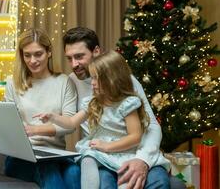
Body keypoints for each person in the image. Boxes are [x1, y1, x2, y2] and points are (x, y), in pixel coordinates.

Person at [63, 27, 171, 189]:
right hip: (103, 155)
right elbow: (69, 122)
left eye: (79, 57)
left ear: (96, 51)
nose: (74, 64)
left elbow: (152, 126)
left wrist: (142, 160)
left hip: (135, 149)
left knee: (159, 180)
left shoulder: (124, 81)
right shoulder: (70, 82)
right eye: (69, 58)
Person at [35, 50, 151, 189]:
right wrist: (53, 117)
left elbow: (135, 137)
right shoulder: (93, 102)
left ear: (113, 78)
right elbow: (71, 122)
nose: (93, 83)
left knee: (126, 181)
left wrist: (108, 146)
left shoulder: (127, 104)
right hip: (99, 151)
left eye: (97, 78)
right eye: (92, 77)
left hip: (123, 152)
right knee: (88, 158)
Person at [0, 28, 80, 189]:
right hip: (22, 156)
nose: (32, 60)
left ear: (48, 52)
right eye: (27, 55)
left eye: (38, 54)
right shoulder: (13, 84)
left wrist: (36, 130)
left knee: (74, 172)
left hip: (55, 153)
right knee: (49, 170)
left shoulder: (64, 82)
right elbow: (6, 124)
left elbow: (69, 125)